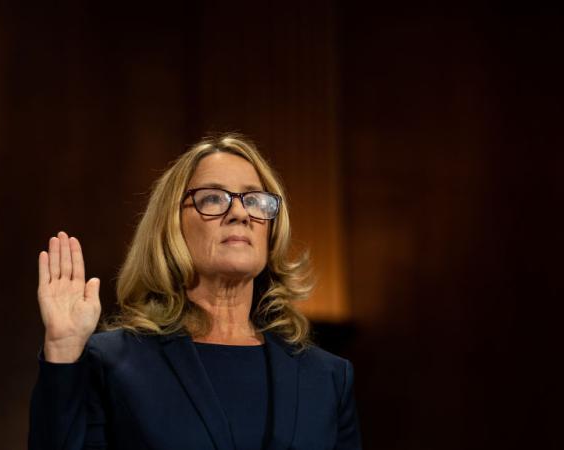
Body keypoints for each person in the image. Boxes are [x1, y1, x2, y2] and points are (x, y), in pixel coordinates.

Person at [29, 134, 361, 450]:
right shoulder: (114, 364)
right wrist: (62, 351)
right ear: (171, 224)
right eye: (213, 198)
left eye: (255, 201)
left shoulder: (327, 378)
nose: (240, 213)